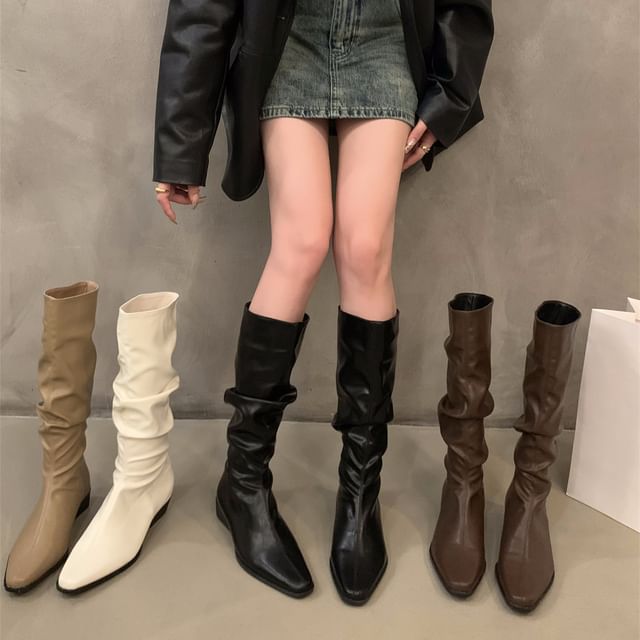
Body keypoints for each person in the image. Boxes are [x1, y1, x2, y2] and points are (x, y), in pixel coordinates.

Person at [152, 0, 494, 605]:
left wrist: (450, 97)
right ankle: (244, 484)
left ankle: (360, 492)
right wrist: (182, 145)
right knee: (302, 242)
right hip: (289, 36)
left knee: (365, 249)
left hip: (386, 37)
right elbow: (201, 7)